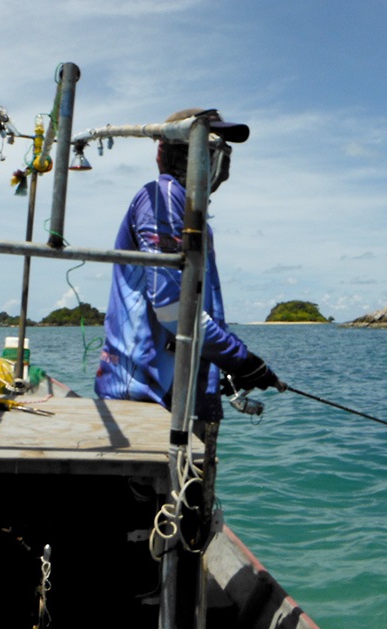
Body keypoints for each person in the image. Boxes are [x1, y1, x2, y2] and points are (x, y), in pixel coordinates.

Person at [94, 108, 283, 425]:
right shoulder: (163, 196)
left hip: (184, 392)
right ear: (168, 151)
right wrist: (240, 360)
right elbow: (172, 309)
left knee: (194, 473)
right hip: (146, 397)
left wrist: (220, 367)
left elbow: (197, 308)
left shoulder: (195, 217)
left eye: (218, 148)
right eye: (204, 146)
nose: (215, 158)